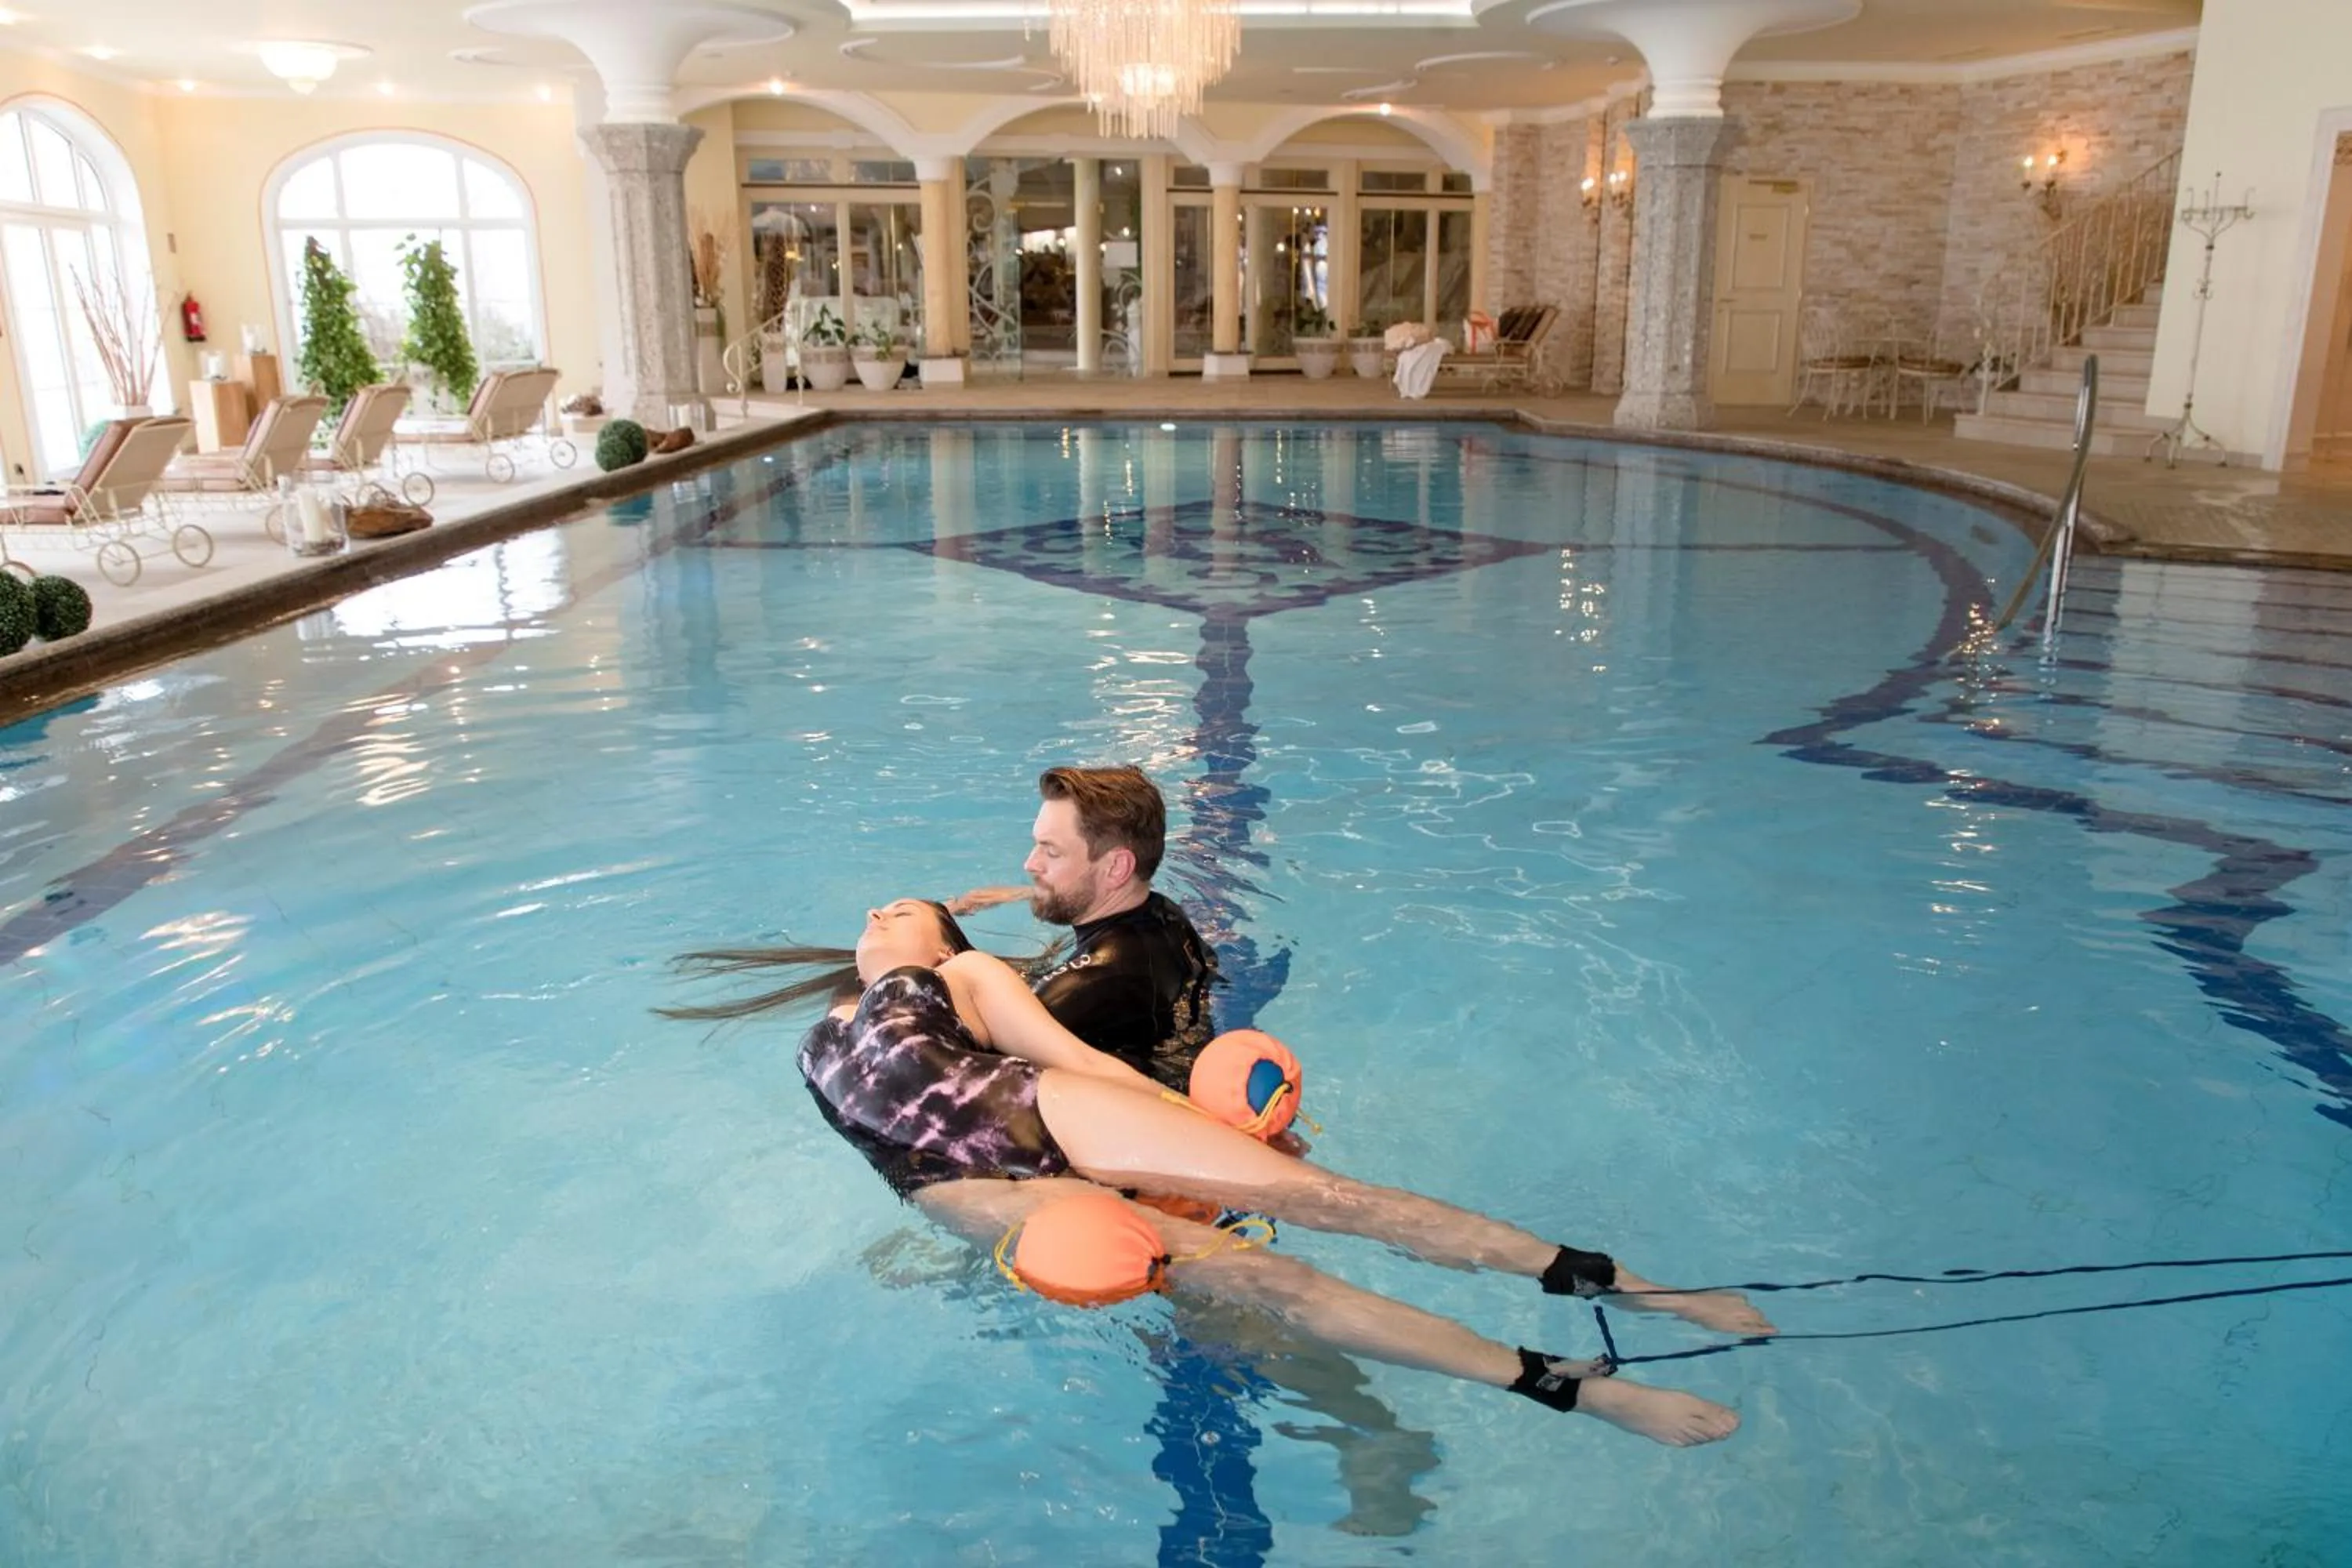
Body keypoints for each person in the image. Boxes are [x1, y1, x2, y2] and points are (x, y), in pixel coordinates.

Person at [666, 898, 1776, 1447]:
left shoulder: (955, 972)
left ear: (937, 931)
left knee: (1328, 1201)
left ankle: (1636, 1286)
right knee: (1271, 1289)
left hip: (1025, 1107)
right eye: (878, 913)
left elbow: (1076, 1058)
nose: (880, 915)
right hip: (962, 1187)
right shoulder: (834, 1020)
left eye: (899, 910)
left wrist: (1234, 1145)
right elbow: (876, 1107)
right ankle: (1572, 1385)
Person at [948, 765, 1218, 1088]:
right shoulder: (1160, 913)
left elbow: (952, 1071)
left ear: (1117, 868)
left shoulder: (1093, 982)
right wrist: (1028, 893)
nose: (1030, 863)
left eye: (1051, 851)